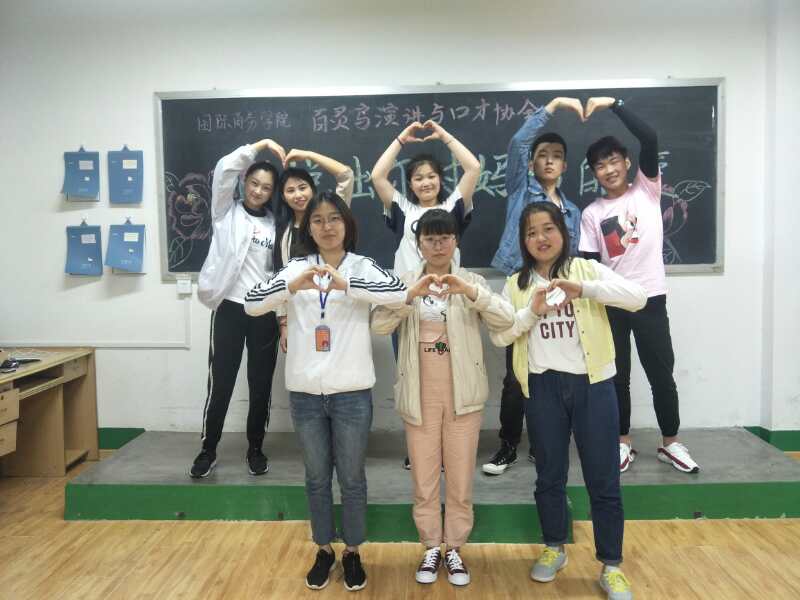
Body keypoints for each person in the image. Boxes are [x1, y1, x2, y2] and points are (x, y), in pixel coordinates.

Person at [244, 191, 407, 592]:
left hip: (351, 393)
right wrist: (290, 287)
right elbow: (251, 303)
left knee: (351, 478)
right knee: (316, 477)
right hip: (305, 395)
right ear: (309, 228)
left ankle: (352, 551)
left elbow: (400, 293)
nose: (327, 226)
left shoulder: (362, 265)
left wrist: (348, 285)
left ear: (347, 224)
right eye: (317, 220)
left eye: (334, 218)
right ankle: (323, 548)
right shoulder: (295, 267)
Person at [491, 202, 646, 600]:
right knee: (549, 476)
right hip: (542, 387)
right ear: (523, 241)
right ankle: (554, 546)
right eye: (531, 232)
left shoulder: (586, 270)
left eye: (548, 228)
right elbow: (501, 335)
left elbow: (638, 297)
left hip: (593, 386)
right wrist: (532, 311)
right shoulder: (516, 284)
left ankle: (611, 565)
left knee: (603, 478)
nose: (541, 238)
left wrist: (585, 290)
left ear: (563, 231)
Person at [371, 209, 513, 587]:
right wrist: (408, 296)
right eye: (430, 239)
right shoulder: (405, 281)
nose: (438, 245)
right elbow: (378, 324)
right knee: (424, 476)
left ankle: (455, 548)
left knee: (461, 477)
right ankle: (431, 545)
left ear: (455, 241)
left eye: (444, 238)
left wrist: (471, 293)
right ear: (419, 244)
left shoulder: (470, 281)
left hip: (463, 395)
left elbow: (506, 320)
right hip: (419, 395)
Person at [579, 97, 699, 474]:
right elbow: (589, 266)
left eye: (614, 160)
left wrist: (615, 104)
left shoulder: (647, 189)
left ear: (627, 163)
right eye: (601, 165)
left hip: (650, 300)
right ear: (594, 173)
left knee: (661, 374)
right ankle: (622, 441)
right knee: (618, 377)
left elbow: (649, 136)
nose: (609, 169)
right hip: (612, 304)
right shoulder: (592, 213)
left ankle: (671, 442)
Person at [372, 119, 481, 469]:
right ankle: (418, 449)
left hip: (450, 306)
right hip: (408, 306)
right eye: (418, 178)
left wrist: (444, 136)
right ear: (411, 184)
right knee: (412, 377)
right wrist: (401, 139)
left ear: (440, 179)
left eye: (431, 176)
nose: (425, 182)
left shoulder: (453, 208)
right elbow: (377, 176)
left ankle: (449, 448)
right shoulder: (403, 211)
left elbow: (473, 167)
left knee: (450, 378)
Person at [485, 97, 584, 476]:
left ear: (565, 166)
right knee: (517, 374)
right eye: (542, 155)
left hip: (559, 293)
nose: (549, 161)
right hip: (522, 286)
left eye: (556, 156)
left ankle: (546, 444)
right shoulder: (520, 190)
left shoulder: (573, 211)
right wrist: (553, 106)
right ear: (531, 163)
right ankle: (509, 444)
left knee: (554, 374)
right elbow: (517, 143)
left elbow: (572, 257)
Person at [191, 138, 285, 479]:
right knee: (221, 382)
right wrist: (260, 145)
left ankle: (255, 448)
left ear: (273, 192)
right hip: (230, 309)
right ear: (245, 181)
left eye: (266, 187)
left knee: (260, 385)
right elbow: (223, 169)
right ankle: (208, 449)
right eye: (254, 183)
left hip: (264, 312)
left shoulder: (276, 225)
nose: (258, 191)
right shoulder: (225, 212)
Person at [272, 149, 354, 351]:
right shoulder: (283, 232)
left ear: (312, 189)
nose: (298, 195)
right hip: (301, 314)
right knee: (305, 365)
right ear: (283, 196)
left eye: (303, 187)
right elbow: (281, 277)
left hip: (336, 305)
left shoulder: (332, 214)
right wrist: (284, 323)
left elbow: (346, 175)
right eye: (290, 191)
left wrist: (308, 155)